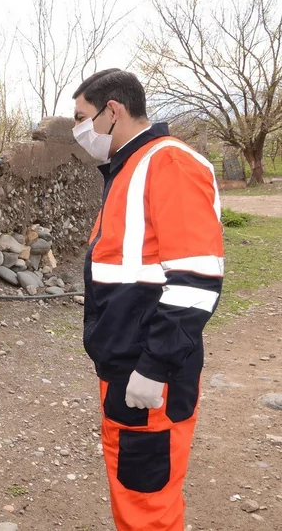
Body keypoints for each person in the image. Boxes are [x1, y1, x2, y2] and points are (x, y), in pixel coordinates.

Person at [72, 69, 224, 531]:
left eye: (83, 118)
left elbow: (197, 279)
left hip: (148, 373)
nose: (80, 130)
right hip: (126, 368)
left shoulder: (168, 163)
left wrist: (154, 367)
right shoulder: (128, 168)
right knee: (133, 492)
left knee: (147, 503)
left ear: (112, 110)